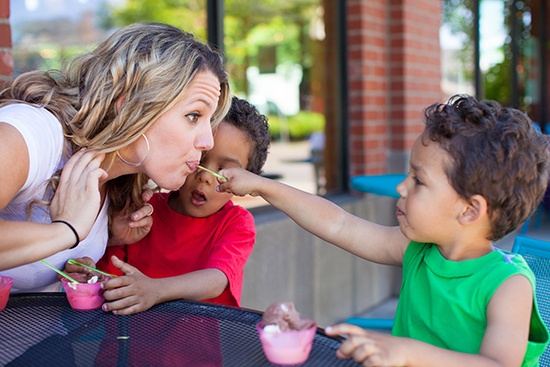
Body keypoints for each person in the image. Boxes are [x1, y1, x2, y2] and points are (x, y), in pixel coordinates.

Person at [216, 95, 550, 366]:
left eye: (418, 181)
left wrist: (406, 352)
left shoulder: (509, 285)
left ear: (469, 210)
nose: (402, 187)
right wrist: (263, 186)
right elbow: (338, 223)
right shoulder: (418, 249)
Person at [0, 22, 231, 293]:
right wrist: (66, 232)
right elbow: (64, 229)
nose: (208, 142)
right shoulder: (35, 134)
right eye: (193, 116)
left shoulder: (117, 179)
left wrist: (107, 236)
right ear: (131, 106)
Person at [94, 96, 270, 315]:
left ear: (243, 183)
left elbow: (216, 280)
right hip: (126, 343)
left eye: (223, 170)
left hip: (194, 347)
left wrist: (155, 290)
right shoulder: (144, 209)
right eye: (201, 158)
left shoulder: (236, 223)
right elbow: (110, 280)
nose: (205, 177)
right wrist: (89, 270)